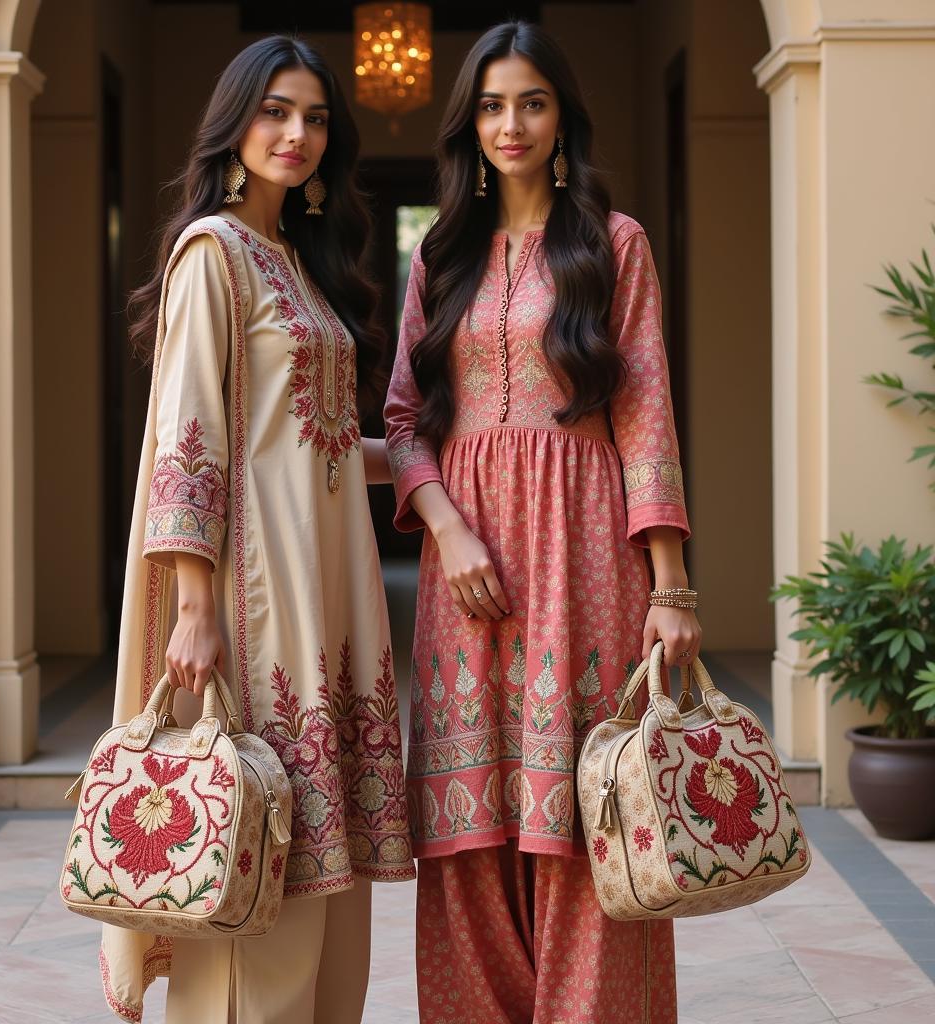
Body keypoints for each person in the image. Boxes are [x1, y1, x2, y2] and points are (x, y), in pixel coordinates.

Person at [384, 20, 700, 1024]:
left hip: (584, 554)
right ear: (467, 125)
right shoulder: (440, 254)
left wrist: (671, 584)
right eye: (489, 105)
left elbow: (644, 413)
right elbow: (402, 420)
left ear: (561, 117)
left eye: (530, 101)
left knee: (585, 819)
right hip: (465, 569)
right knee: (471, 834)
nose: (508, 123)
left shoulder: (614, 245)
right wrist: (448, 528)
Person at [101, 35, 414, 1024]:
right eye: (277, 111)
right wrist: (193, 606)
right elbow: (188, 437)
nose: (297, 133)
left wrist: (437, 469)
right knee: (255, 851)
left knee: (326, 879)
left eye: (315, 117)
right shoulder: (213, 253)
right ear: (235, 123)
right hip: (251, 594)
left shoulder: (296, 260)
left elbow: (308, 443)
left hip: (326, 588)